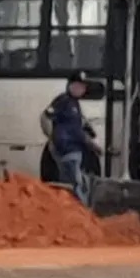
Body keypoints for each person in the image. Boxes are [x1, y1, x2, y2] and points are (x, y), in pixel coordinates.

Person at [45, 70, 102, 205]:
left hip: (75, 151)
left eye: (82, 87)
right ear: (70, 85)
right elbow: (45, 117)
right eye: (77, 85)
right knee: (75, 186)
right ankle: (82, 213)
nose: (80, 89)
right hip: (67, 151)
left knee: (76, 183)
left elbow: (78, 131)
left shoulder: (75, 104)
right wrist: (51, 139)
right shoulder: (63, 101)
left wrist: (92, 143)